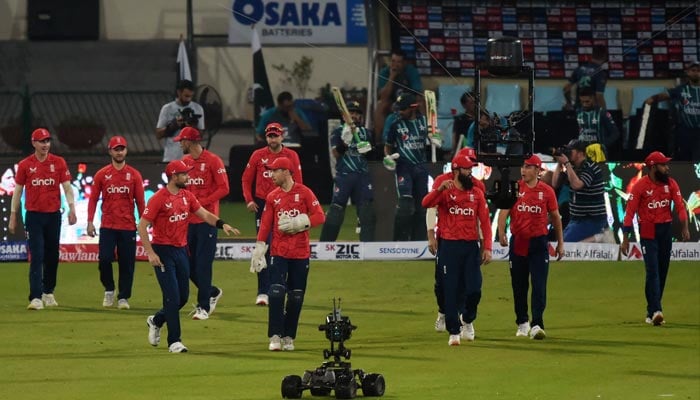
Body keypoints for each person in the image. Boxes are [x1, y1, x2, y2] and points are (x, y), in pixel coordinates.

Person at [139, 160, 239, 353]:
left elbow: (204, 214)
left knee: (183, 297)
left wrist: (222, 224)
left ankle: (156, 320)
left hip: (181, 251)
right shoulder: (159, 198)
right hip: (163, 252)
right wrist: (150, 253)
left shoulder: (187, 196)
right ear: (174, 177)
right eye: (184, 174)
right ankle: (174, 341)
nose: (188, 177)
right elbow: (142, 225)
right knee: (172, 297)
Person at [249, 157, 325, 351]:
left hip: (300, 253)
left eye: (274, 171)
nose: (270, 175)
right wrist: (259, 247)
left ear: (285, 172)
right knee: (276, 293)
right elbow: (266, 222)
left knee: (296, 296)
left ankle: (289, 336)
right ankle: (275, 335)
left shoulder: (305, 193)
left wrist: (301, 222)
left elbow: (320, 216)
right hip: (279, 252)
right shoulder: (272, 196)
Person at [421, 153, 492, 346]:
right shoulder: (444, 190)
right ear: (456, 170)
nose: (470, 173)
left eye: (471, 169)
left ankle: (467, 319)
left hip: (470, 246)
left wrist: (487, 247)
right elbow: (426, 204)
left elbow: (485, 221)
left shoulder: (476, 192)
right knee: (449, 288)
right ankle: (453, 331)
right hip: (449, 246)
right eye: (467, 169)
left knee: (474, 289)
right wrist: (438, 191)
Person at [497, 155, 564, 340]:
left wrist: (560, 243)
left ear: (537, 170)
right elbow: (504, 211)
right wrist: (501, 232)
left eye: (528, 167)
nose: (523, 170)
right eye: (523, 167)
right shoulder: (515, 188)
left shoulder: (547, 191)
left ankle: (537, 324)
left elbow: (556, 217)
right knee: (519, 285)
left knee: (539, 285)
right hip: (518, 241)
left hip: (539, 243)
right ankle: (522, 322)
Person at [10, 128, 77, 310]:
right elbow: (17, 191)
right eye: (41, 141)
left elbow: (67, 188)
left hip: (54, 215)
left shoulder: (59, 162)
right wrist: (13, 215)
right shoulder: (25, 165)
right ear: (34, 143)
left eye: (47, 141)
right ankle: (36, 297)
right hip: (33, 216)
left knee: (52, 255)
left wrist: (72, 209)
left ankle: (48, 292)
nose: (45, 144)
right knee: (37, 255)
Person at [620, 151, 689, 326]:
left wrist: (685, 227)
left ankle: (651, 311)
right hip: (648, 230)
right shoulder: (640, 186)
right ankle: (657, 309)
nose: (667, 168)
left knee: (662, 270)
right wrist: (625, 238)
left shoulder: (671, 183)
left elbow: (680, 206)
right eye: (663, 165)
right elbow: (630, 212)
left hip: (665, 230)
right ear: (653, 167)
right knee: (652, 271)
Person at [242, 122, 303, 305]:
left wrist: (298, 206)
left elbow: (299, 182)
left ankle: (283, 287)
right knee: (263, 246)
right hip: (263, 204)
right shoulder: (258, 156)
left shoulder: (291, 155)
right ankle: (263, 292)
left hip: (285, 204)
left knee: (286, 247)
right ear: (266, 137)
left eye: (275, 135)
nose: (272, 138)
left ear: (282, 136)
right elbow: (246, 179)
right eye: (270, 135)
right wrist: (249, 200)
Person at [174, 126, 230, 320]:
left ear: (189, 141)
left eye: (182, 141)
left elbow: (224, 188)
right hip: (187, 221)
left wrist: (200, 204)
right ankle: (212, 291)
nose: (180, 144)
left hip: (208, 220)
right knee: (186, 266)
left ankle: (203, 307)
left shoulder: (214, 161)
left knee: (203, 265)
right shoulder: (185, 162)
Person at [86, 135, 146, 310]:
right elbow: (93, 199)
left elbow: (140, 201)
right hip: (108, 226)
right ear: (110, 151)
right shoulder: (102, 174)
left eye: (122, 149)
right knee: (104, 260)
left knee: (127, 263)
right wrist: (90, 222)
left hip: (127, 226)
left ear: (126, 150)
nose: (119, 152)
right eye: (116, 149)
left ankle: (123, 297)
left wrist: (144, 222)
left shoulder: (134, 175)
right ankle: (109, 289)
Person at [319, 100, 376, 242]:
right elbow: (336, 154)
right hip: (344, 175)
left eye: (357, 113)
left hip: (362, 176)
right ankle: (326, 245)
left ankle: (367, 247)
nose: (355, 116)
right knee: (337, 209)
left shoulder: (366, 133)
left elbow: (372, 155)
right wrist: (345, 142)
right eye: (352, 113)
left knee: (366, 210)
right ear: (345, 116)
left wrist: (369, 150)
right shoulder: (337, 132)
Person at [384, 93, 434, 241]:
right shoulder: (396, 125)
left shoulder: (424, 122)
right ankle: (399, 241)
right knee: (405, 204)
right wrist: (387, 157)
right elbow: (387, 147)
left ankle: (418, 241)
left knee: (422, 206)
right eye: (399, 109)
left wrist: (436, 140)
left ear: (413, 108)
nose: (400, 112)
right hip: (404, 166)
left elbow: (436, 138)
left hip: (421, 167)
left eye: (403, 109)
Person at [551, 140, 611, 242]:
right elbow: (555, 183)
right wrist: (559, 164)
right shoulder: (573, 168)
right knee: (560, 244)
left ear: (580, 153)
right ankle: (597, 237)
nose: (568, 153)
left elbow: (577, 185)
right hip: (576, 219)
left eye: (571, 151)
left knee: (565, 246)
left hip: (592, 219)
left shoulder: (590, 167)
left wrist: (567, 163)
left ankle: (599, 236)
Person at [644, 60, 700, 161]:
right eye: (693, 70)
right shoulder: (681, 89)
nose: (696, 73)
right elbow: (665, 95)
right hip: (686, 131)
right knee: (685, 159)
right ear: (687, 72)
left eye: (698, 70)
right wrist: (652, 98)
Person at [374, 49, 423, 142]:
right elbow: (383, 96)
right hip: (392, 103)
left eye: (399, 62)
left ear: (404, 63)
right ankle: (378, 141)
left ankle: (425, 135)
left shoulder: (411, 71)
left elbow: (417, 93)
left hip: (409, 102)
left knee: (421, 102)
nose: (395, 65)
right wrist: (391, 77)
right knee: (381, 105)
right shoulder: (385, 72)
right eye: (393, 61)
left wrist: (405, 104)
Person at [155, 79, 205, 162]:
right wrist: (173, 126)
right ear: (179, 92)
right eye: (186, 96)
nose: (188, 99)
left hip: (191, 157)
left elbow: (201, 135)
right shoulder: (168, 108)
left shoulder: (198, 109)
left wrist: (192, 126)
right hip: (171, 156)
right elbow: (158, 134)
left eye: (190, 96)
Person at [575, 87, 620, 157]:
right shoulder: (578, 113)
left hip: (599, 153)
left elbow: (615, 133)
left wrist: (602, 145)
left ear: (593, 98)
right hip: (582, 153)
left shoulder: (602, 113)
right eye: (582, 102)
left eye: (587, 102)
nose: (584, 104)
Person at [564, 45, 608, 110]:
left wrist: (569, 103)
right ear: (605, 57)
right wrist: (605, 113)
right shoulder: (601, 74)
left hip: (578, 109)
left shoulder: (579, 69)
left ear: (592, 55)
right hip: (592, 111)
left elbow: (566, 89)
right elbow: (599, 96)